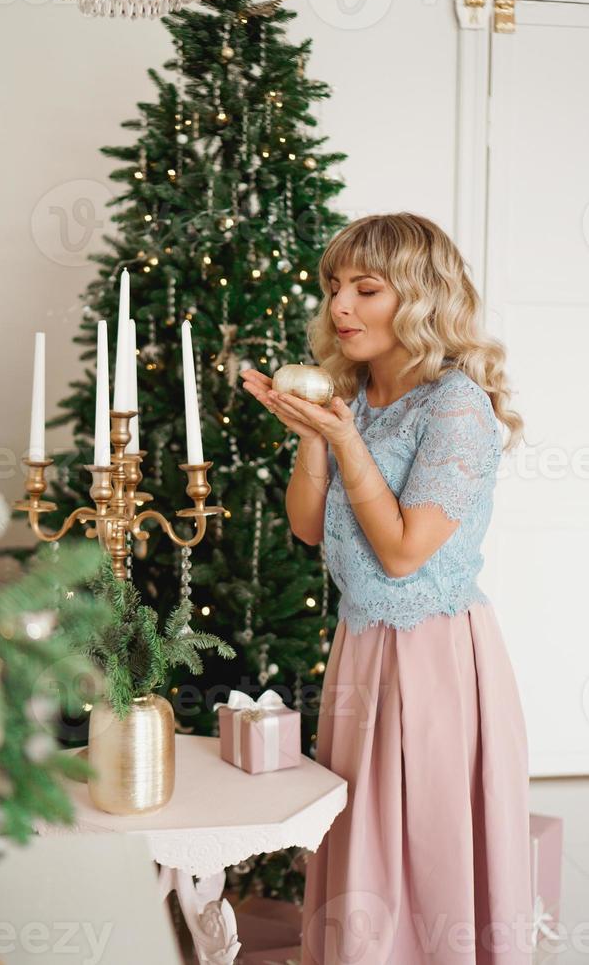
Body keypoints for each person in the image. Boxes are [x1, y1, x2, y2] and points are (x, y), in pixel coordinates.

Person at [240, 212, 534, 965]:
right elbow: (308, 527)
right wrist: (314, 434)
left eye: (365, 290)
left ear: (421, 300)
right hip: (362, 648)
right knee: (364, 826)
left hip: (436, 657)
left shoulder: (456, 406)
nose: (339, 307)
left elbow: (403, 554)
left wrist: (344, 442)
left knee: (425, 839)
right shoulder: (355, 396)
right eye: (333, 287)